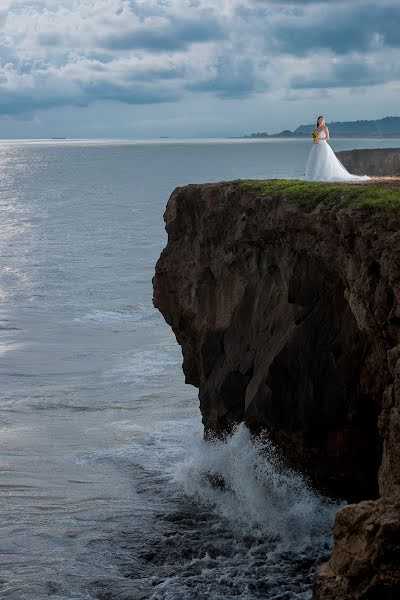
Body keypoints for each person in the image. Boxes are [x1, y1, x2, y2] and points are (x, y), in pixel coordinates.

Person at [304, 116, 370, 182]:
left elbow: (327, 138)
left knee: (324, 160)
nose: (321, 121)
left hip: (323, 145)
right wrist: (315, 140)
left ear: (324, 121)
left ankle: (325, 174)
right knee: (317, 161)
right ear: (317, 121)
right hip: (316, 146)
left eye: (322, 120)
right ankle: (316, 175)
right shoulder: (315, 129)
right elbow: (314, 139)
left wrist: (319, 139)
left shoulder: (325, 128)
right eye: (320, 120)